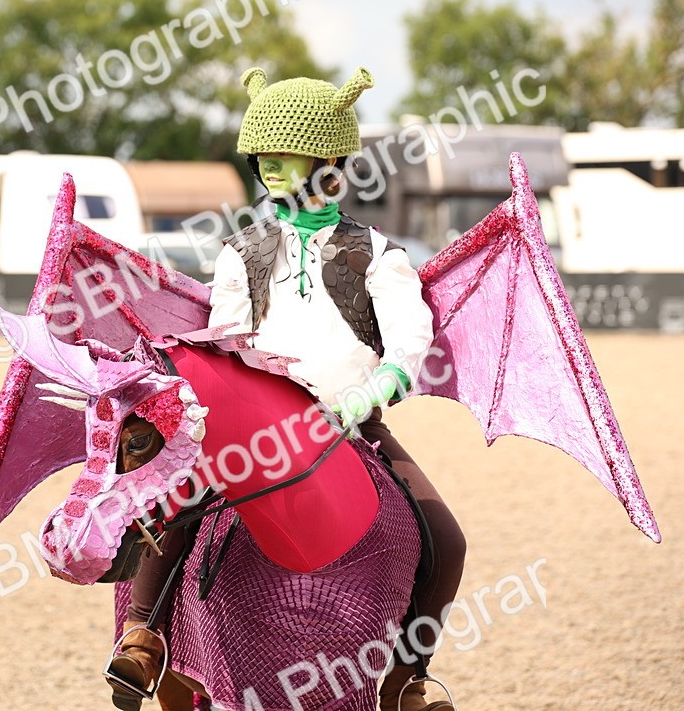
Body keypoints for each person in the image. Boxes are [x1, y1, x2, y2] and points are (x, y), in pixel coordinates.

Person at [110, 68, 465, 711]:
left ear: (327, 162)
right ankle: (144, 635)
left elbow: (410, 336)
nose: (271, 166)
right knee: (174, 504)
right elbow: (225, 338)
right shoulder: (239, 252)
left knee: (446, 539)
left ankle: (408, 677)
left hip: (352, 424)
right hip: (257, 422)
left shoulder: (379, 254)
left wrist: (378, 386)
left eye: (286, 154)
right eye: (263, 155)